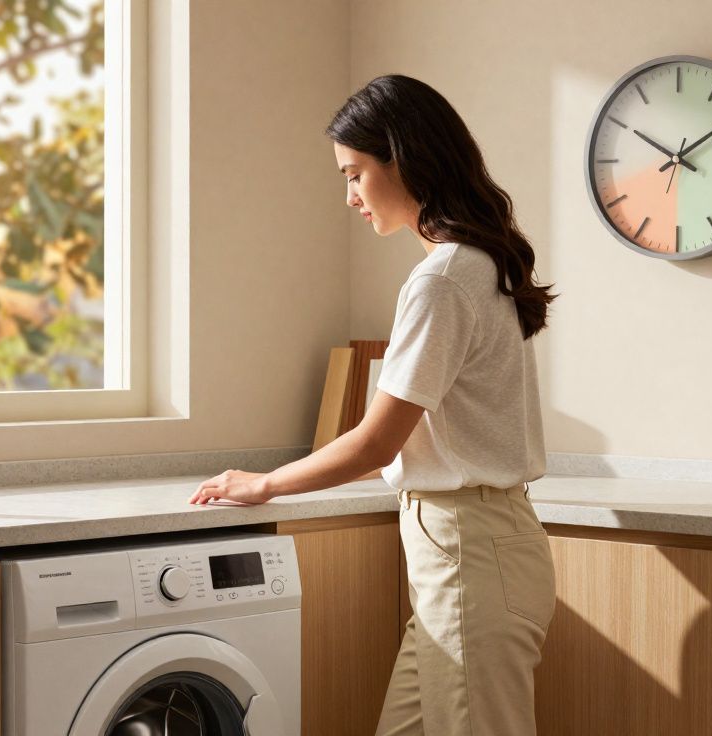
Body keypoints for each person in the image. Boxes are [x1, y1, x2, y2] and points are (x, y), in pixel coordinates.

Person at [188, 74, 558, 735]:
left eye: (356, 173)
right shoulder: (478, 266)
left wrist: (266, 483)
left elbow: (376, 442)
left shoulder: (444, 279)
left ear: (405, 157)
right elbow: (406, 438)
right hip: (469, 554)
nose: (350, 196)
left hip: (468, 558)